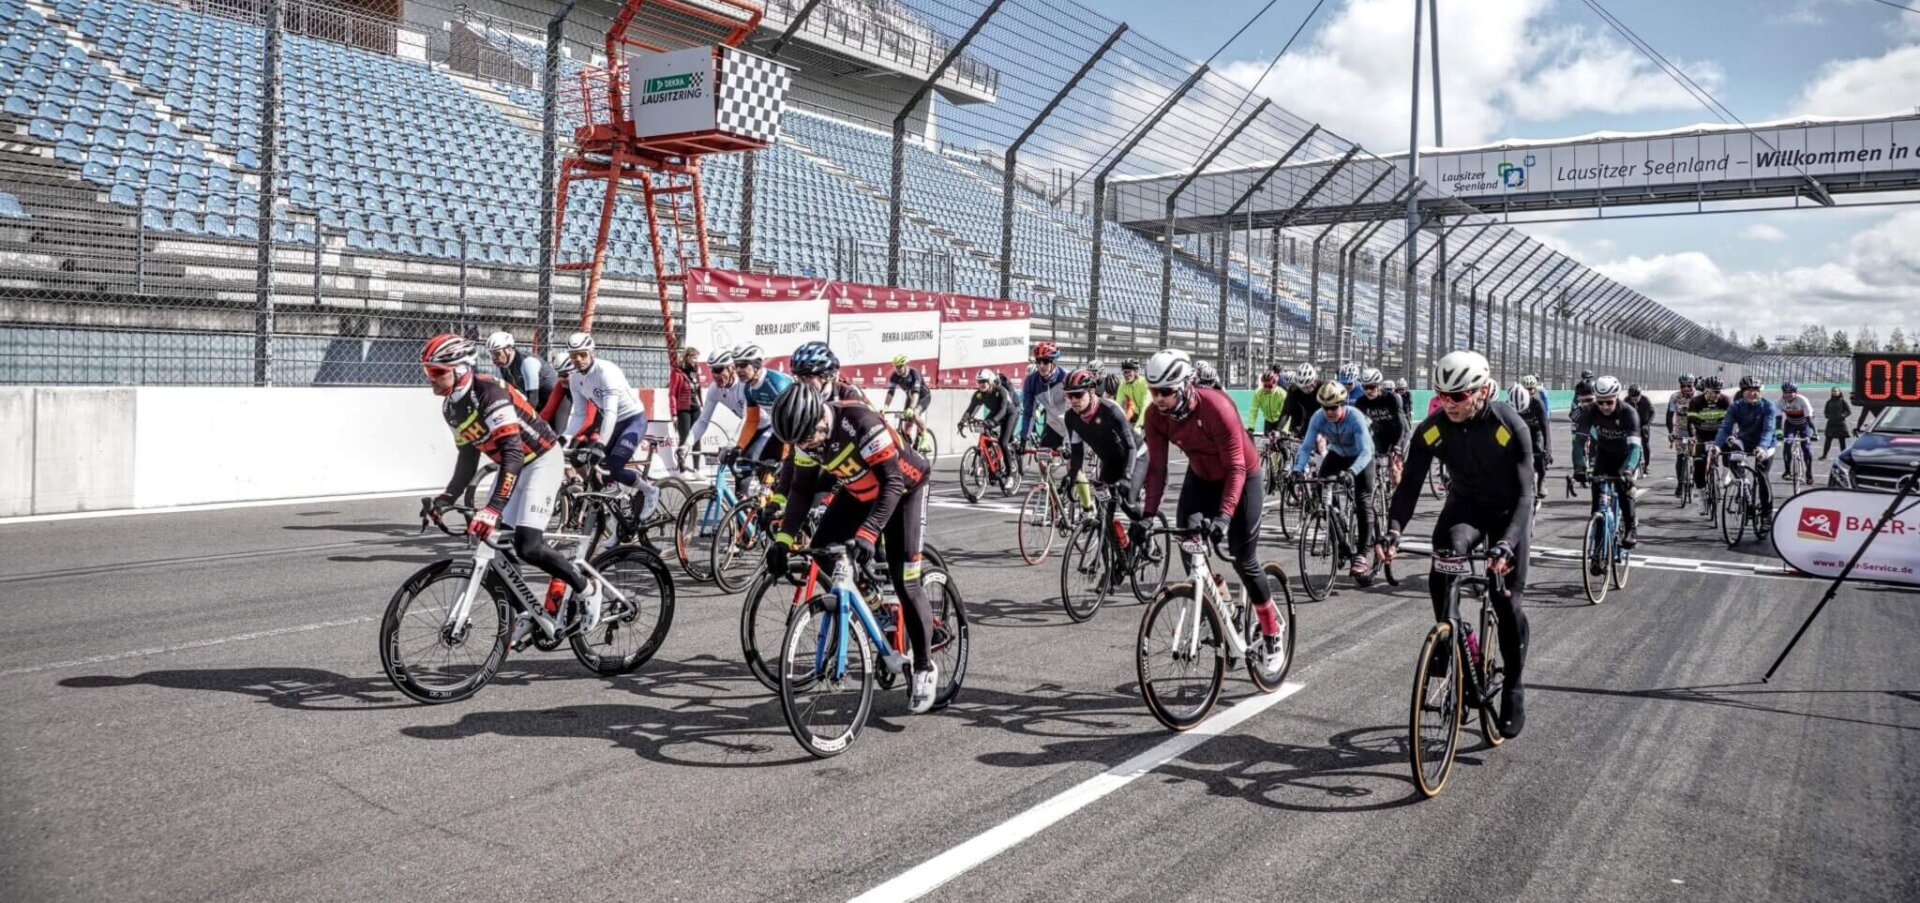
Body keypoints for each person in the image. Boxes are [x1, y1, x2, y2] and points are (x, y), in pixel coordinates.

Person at [1380, 350, 1534, 738]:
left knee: (1505, 600)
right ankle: (1452, 640)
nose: (1448, 404)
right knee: (1445, 556)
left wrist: (1506, 545)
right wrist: (1394, 530)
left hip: (1507, 514)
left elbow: (1524, 496)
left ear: (1482, 391)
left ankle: (1513, 687)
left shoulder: (1507, 425)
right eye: (1441, 395)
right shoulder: (1433, 428)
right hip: (1464, 508)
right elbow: (1410, 484)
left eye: (1458, 396)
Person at [766, 385, 941, 713]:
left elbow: (892, 482)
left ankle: (923, 667)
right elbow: (801, 491)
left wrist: (869, 532)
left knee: (907, 581)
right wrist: (783, 541)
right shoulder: (804, 436)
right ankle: (876, 607)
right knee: (821, 551)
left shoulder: (859, 421)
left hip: (902, 490)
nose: (805, 447)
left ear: (820, 418)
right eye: (798, 443)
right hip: (859, 489)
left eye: (807, 439)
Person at [423, 334, 601, 630]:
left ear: (461, 369)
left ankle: (586, 588)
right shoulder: (451, 408)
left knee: (527, 545)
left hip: (540, 459)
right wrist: (446, 498)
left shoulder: (489, 394)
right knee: (495, 544)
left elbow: (513, 454)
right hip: (513, 465)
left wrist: (493, 507)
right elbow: (468, 456)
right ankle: (527, 615)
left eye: (437, 372)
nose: (431, 379)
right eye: (428, 372)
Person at [1139, 349, 1287, 667]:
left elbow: (1236, 468)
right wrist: (1148, 516)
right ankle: (1227, 609)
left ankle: (1272, 631)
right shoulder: (1155, 416)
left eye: (1165, 391)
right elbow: (1156, 470)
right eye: (1154, 392)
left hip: (1242, 477)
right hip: (1202, 478)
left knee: (1242, 557)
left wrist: (1223, 517)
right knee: (1189, 545)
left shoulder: (1217, 407)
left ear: (1186, 385)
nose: (1159, 399)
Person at [560, 332, 660, 528]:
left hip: (632, 419)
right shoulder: (575, 379)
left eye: (582, 354)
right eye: (573, 356)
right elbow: (579, 414)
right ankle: (620, 525)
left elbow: (612, 412)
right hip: (613, 422)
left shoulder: (606, 371)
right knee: (603, 475)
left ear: (591, 352)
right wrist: (566, 436)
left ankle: (650, 491)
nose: (578, 359)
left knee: (613, 466)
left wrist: (600, 444)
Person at [1294, 380, 1376, 578]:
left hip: (1361, 458)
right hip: (1337, 454)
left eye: (1333, 407)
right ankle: (1340, 534)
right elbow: (1306, 447)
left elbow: (1366, 451)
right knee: (1322, 489)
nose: (1329, 412)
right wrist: (1297, 469)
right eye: (1325, 408)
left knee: (1362, 500)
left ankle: (1361, 556)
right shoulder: (1318, 417)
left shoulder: (1354, 416)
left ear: (1342, 404)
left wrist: (1352, 472)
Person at [1061, 368, 1142, 517]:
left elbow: (1131, 447)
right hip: (1110, 461)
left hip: (1136, 455)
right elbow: (1077, 452)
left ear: (1091, 392)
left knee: (1128, 503)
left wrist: (1126, 476)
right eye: (1069, 395)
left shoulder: (1110, 410)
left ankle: (1145, 530)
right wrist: (1072, 477)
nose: (1073, 400)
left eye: (1077, 395)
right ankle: (1107, 540)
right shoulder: (1071, 418)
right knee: (1102, 510)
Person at [1574, 377, 1643, 549]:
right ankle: (1597, 548)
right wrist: (1579, 467)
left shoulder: (1628, 413)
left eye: (1609, 402)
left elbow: (1635, 447)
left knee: (1624, 488)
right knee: (1597, 503)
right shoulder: (1589, 410)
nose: (1604, 406)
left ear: (1617, 397)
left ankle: (1631, 528)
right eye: (1600, 402)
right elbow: (1578, 443)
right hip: (1604, 454)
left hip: (1627, 455)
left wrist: (1628, 471)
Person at [1715, 375, 1779, 527]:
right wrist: (1717, 446)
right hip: (1745, 441)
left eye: (1756, 390)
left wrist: (1762, 447)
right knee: (1733, 457)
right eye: (1749, 390)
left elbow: (1768, 430)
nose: (1753, 393)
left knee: (1762, 476)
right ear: (1742, 391)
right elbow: (1725, 428)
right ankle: (1744, 487)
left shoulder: (1768, 405)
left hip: (1766, 444)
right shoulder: (1735, 407)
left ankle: (1766, 515)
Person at [686, 346, 745, 474]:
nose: (715, 375)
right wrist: (687, 444)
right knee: (740, 475)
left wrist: (732, 443)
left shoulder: (744, 385)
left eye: (718, 369)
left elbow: (748, 419)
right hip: (751, 427)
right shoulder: (715, 390)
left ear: (732, 368)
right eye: (712, 370)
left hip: (767, 426)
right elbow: (702, 422)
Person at [732, 344, 795, 463]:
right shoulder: (749, 388)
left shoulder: (776, 385)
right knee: (763, 466)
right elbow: (752, 420)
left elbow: (791, 422)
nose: (738, 370)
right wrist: (739, 447)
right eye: (736, 365)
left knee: (782, 472)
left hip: (797, 430)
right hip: (781, 429)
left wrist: (785, 457)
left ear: (756, 365)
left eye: (743, 365)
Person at [1353, 367, 1408, 486]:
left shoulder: (1391, 398)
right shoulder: (1360, 402)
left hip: (1397, 432)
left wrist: (1397, 446)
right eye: (1365, 387)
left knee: (1395, 473)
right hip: (1379, 434)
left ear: (1379, 386)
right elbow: (1356, 425)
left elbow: (1401, 424)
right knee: (1373, 460)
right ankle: (1378, 486)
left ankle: (1398, 490)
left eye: (1372, 387)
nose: (1368, 391)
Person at [961, 368, 1018, 483]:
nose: (981, 384)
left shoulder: (1001, 391)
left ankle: (1010, 475)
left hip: (1009, 414)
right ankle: (993, 467)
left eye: (984, 381)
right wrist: (962, 421)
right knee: (984, 434)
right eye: (979, 382)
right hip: (995, 413)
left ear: (991, 381)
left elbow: (1003, 410)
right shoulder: (979, 395)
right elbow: (970, 410)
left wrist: (993, 422)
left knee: (1003, 442)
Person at [487, 331, 558, 415]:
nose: (493, 358)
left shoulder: (527, 362)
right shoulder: (504, 367)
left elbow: (533, 400)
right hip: (541, 402)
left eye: (497, 353)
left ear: (509, 349)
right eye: (491, 354)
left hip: (557, 400)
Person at [1019, 341, 1069, 451]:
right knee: (1042, 456)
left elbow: (1075, 410)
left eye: (1045, 361)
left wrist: (1070, 442)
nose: (1041, 365)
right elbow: (1028, 413)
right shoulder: (1031, 381)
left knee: (1073, 463)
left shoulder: (1066, 378)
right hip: (1054, 426)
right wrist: (1024, 439)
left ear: (1053, 362)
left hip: (1072, 425)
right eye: (1038, 361)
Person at [1686, 376, 1731, 493]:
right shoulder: (1696, 401)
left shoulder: (1725, 400)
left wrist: (1731, 435)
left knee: (1730, 448)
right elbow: (1691, 422)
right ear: (1706, 390)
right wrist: (1692, 437)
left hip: (1719, 434)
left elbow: (1732, 421)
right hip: (1702, 435)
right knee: (1699, 464)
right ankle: (1701, 496)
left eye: (1719, 392)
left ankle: (1725, 475)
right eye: (1714, 392)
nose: (1717, 395)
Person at [1510, 382, 1550, 504]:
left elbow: (1545, 428)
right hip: (1520, 432)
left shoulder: (1537, 404)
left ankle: (1541, 481)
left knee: (1539, 451)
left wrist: (1548, 448)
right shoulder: (1508, 406)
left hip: (1535, 430)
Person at [669, 345, 703, 476]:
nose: (696, 360)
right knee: (684, 438)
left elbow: (697, 388)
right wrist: (673, 413)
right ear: (687, 357)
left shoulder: (695, 370)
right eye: (694, 358)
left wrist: (702, 404)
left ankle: (696, 469)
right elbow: (672, 394)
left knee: (697, 437)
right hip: (683, 409)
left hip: (696, 407)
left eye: (697, 358)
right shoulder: (677, 372)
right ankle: (681, 469)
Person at [885, 354, 932, 448]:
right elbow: (890, 393)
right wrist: (885, 407)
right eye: (896, 367)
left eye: (899, 367)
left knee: (914, 413)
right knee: (906, 428)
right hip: (910, 397)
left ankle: (925, 435)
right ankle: (911, 446)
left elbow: (916, 392)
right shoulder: (895, 376)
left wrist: (911, 408)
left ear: (905, 365)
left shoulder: (914, 374)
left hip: (923, 396)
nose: (898, 369)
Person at [1665, 374, 1697, 494]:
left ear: (1694, 385)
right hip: (1681, 427)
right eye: (1683, 386)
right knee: (1680, 456)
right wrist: (1670, 432)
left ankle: (1695, 478)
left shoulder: (1700, 396)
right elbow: (1669, 416)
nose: (1686, 388)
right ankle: (1680, 483)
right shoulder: (1675, 397)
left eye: (1689, 385)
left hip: (1697, 427)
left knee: (1696, 456)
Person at [1776, 381, 1816, 478]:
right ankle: (1787, 471)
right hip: (1790, 425)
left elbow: (1809, 419)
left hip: (1804, 424)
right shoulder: (1780, 402)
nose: (1788, 395)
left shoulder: (1802, 400)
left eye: (1791, 392)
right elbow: (1778, 420)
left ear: (1796, 392)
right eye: (1785, 392)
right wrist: (1779, 433)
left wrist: (1814, 433)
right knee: (1787, 444)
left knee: (1806, 448)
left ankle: (1809, 472)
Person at [1277, 362, 1322, 439]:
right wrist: (1278, 430)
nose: (1307, 390)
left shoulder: (1323, 388)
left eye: (1309, 386)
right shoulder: (1295, 391)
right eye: (1303, 388)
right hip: (1305, 420)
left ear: (1315, 379)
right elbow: (1286, 411)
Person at [1626, 384, 1655, 477]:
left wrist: (1648, 424)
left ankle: (1647, 465)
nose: (1634, 399)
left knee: (1645, 444)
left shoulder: (1645, 400)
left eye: (1636, 397)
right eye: (1632, 397)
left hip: (1643, 424)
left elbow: (1652, 412)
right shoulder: (1626, 401)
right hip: (1631, 424)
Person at [1250, 370, 1287, 439]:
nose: (1267, 389)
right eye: (1265, 386)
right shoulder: (1258, 393)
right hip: (1268, 421)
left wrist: (1280, 430)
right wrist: (1251, 427)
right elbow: (1253, 411)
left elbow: (1285, 414)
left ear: (1275, 384)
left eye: (1270, 386)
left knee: (1282, 446)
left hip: (1280, 421)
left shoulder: (1282, 394)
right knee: (1267, 446)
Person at [1115, 360, 1149, 432]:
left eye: (1129, 372)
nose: (1126, 375)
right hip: (1136, 414)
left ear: (1136, 372)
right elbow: (1117, 404)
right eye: (1124, 372)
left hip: (1149, 414)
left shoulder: (1143, 383)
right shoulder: (1123, 385)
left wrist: (1138, 426)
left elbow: (1145, 406)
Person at [1823, 388, 1852, 459]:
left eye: (1836, 391)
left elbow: (1848, 411)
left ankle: (1843, 456)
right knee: (1828, 440)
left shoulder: (1842, 401)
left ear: (1839, 392)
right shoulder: (1829, 402)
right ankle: (1824, 455)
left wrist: (1843, 415)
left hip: (1841, 424)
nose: (1834, 392)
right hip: (1831, 423)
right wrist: (1828, 416)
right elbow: (1826, 411)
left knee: (1842, 441)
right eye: (1833, 391)